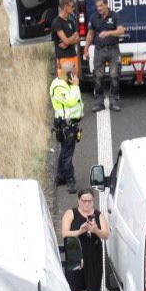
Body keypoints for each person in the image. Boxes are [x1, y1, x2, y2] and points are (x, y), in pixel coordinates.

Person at [60, 189, 109, 291]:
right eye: (84, 201)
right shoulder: (71, 214)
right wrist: (80, 231)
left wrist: (96, 230)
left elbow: (106, 234)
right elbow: (65, 233)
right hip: (75, 256)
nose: (87, 204)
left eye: (89, 201)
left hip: (93, 258)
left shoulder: (99, 215)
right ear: (78, 200)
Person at [50, 62, 85, 194]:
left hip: (70, 124)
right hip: (66, 125)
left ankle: (60, 176)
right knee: (67, 154)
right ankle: (70, 179)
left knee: (65, 151)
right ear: (69, 73)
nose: (76, 74)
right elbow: (70, 101)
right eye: (74, 71)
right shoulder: (59, 86)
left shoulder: (67, 84)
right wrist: (76, 87)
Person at [88, 0, 126, 111]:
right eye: (97, 6)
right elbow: (90, 34)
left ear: (106, 5)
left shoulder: (114, 16)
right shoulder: (94, 17)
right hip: (99, 50)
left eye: (101, 6)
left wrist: (108, 33)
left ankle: (113, 101)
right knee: (98, 77)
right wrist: (86, 49)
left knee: (114, 75)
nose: (99, 8)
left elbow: (121, 31)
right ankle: (99, 102)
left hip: (113, 49)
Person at [51, 0, 81, 80]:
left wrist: (68, 41)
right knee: (65, 81)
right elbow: (67, 40)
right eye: (72, 6)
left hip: (73, 55)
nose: (73, 8)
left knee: (74, 80)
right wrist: (72, 37)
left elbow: (77, 38)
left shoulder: (71, 21)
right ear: (65, 7)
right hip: (63, 57)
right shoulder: (57, 22)